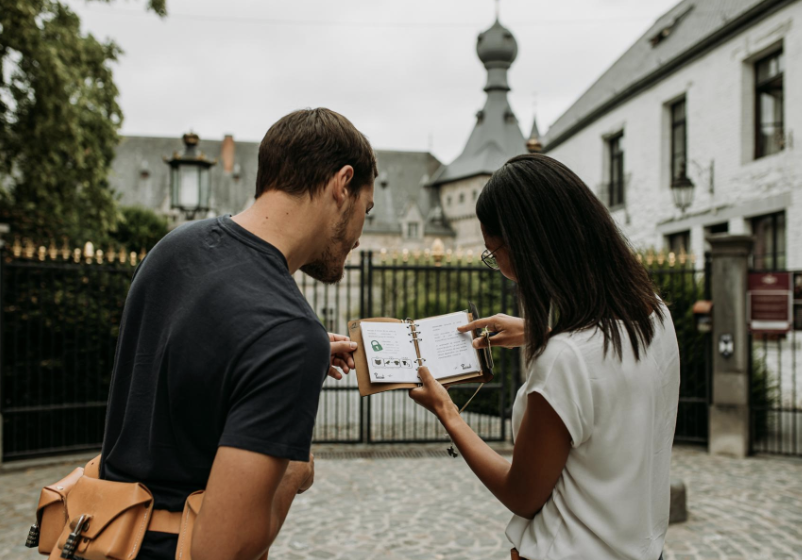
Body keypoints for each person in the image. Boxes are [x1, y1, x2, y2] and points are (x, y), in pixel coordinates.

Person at [99, 108, 376, 560]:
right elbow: (222, 550)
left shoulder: (174, 248)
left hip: (104, 537)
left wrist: (284, 353)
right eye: (366, 208)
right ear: (342, 185)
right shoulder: (288, 333)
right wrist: (297, 470)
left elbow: (186, 368)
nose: (360, 235)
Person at [409, 153, 678, 560]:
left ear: (526, 248)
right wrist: (541, 332)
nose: (497, 265)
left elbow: (521, 494)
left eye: (493, 253)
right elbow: (608, 372)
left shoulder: (565, 361)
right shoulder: (655, 315)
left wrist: (448, 412)